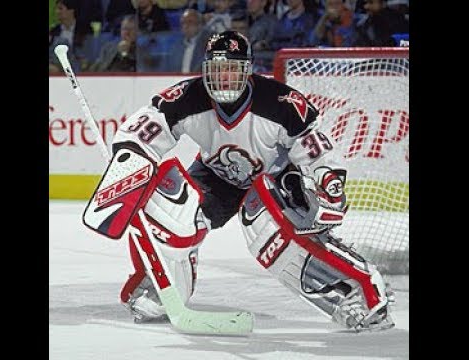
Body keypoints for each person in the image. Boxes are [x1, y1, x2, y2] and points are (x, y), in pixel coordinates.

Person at [90, 30, 395, 332]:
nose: (223, 77)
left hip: (274, 176)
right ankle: (164, 288)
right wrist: (131, 155)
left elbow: (311, 143)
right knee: (172, 213)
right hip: (215, 175)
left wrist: (327, 178)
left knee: (272, 237)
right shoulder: (188, 97)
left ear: (248, 70)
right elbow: (147, 125)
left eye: (232, 69)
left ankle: (358, 291)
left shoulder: (278, 101)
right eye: (217, 69)